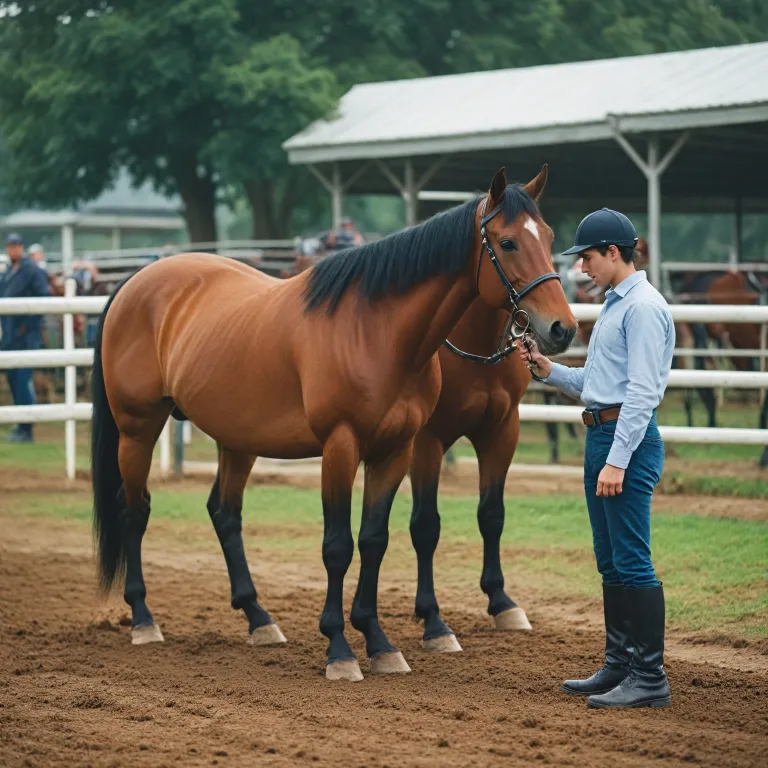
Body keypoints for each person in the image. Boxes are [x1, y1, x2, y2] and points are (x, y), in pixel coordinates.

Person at [520, 209, 675, 709]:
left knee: (632, 561)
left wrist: (618, 460)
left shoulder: (643, 308)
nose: (581, 267)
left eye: (587, 257)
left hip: (622, 442)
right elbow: (598, 383)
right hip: (601, 437)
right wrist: (550, 371)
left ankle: (649, 676)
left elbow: (642, 394)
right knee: (611, 561)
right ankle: (620, 663)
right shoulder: (615, 304)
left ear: (613, 252)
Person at [0, 232, 51, 442]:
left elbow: (43, 299)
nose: (13, 250)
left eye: (16, 246)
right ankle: (22, 425)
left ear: (21, 248)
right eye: (10, 246)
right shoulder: (7, 273)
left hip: (25, 335)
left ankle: (26, 428)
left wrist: (28, 326)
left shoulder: (32, 271)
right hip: (10, 335)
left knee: (22, 379)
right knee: (13, 379)